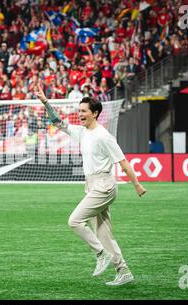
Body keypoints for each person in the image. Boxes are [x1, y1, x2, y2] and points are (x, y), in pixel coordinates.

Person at [34, 83, 147, 286]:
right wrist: (45, 102)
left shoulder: (104, 136)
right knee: (103, 232)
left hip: (104, 185)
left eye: (84, 111)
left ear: (95, 113)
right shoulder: (83, 132)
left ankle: (100, 254)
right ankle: (123, 270)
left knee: (74, 221)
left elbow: (123, 162)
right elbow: (57, 122)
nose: (80, 114)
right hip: (92, 185)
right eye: (79, 111)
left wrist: (137, 184)